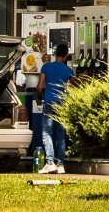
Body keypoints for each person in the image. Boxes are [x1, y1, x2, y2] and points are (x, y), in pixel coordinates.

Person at [36, 43, 74, 174]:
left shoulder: (46, 67)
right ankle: (61, 165)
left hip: (49, 102)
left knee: (47, 132)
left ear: (56, 53)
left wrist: (39, 99)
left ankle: (50, 163)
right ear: (66, 56)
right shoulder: (68, 70)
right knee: (61, 134)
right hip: (61, 103)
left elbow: (39, 87)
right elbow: (76, 84)